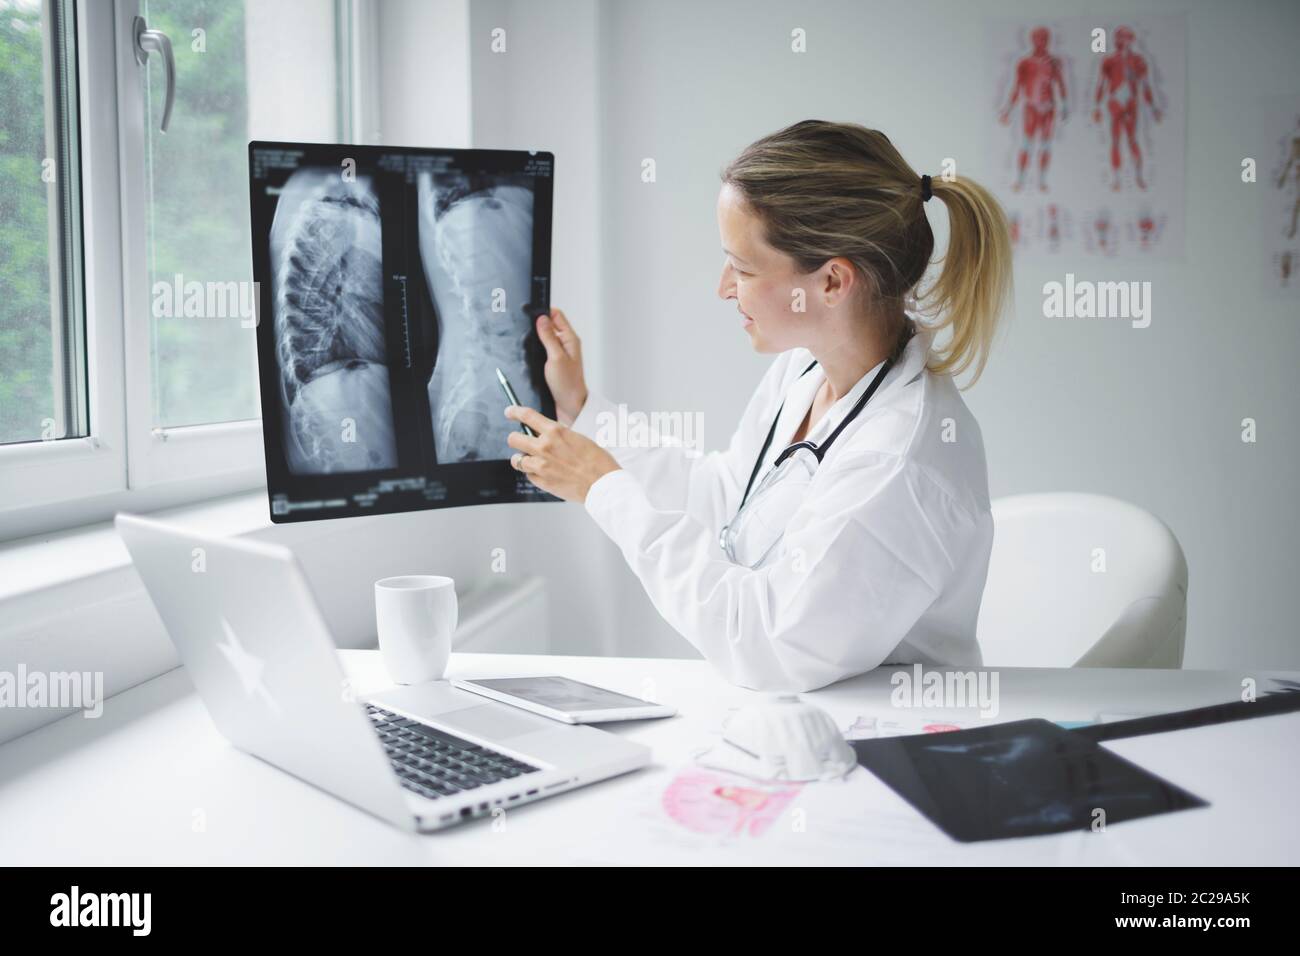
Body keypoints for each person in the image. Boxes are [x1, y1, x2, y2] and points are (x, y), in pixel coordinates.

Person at [503, 119, 1013, 692]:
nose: (724, 287)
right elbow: (727, 500)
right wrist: (583, 407)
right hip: (801, 725)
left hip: (885, 745)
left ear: (831, 283)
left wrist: (607, 492)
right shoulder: (805, 371)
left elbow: (767, 644)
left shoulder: (898, 461)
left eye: (743, 268)